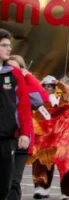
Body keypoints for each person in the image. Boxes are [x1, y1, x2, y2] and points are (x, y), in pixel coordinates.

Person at [0, 30, 33, 200]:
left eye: (9, 45)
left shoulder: (13, 73)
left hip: (6, 138)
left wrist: (25, 133)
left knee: (5, 185)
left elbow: (24, 106)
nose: (9, 49)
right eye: (4, 45)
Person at [6, 56, 42, 200]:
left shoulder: (25, 86)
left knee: (14, 181)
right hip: (5, 139)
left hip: (22, 139)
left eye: (17, 68)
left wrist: (29, 77)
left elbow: (41, 100)